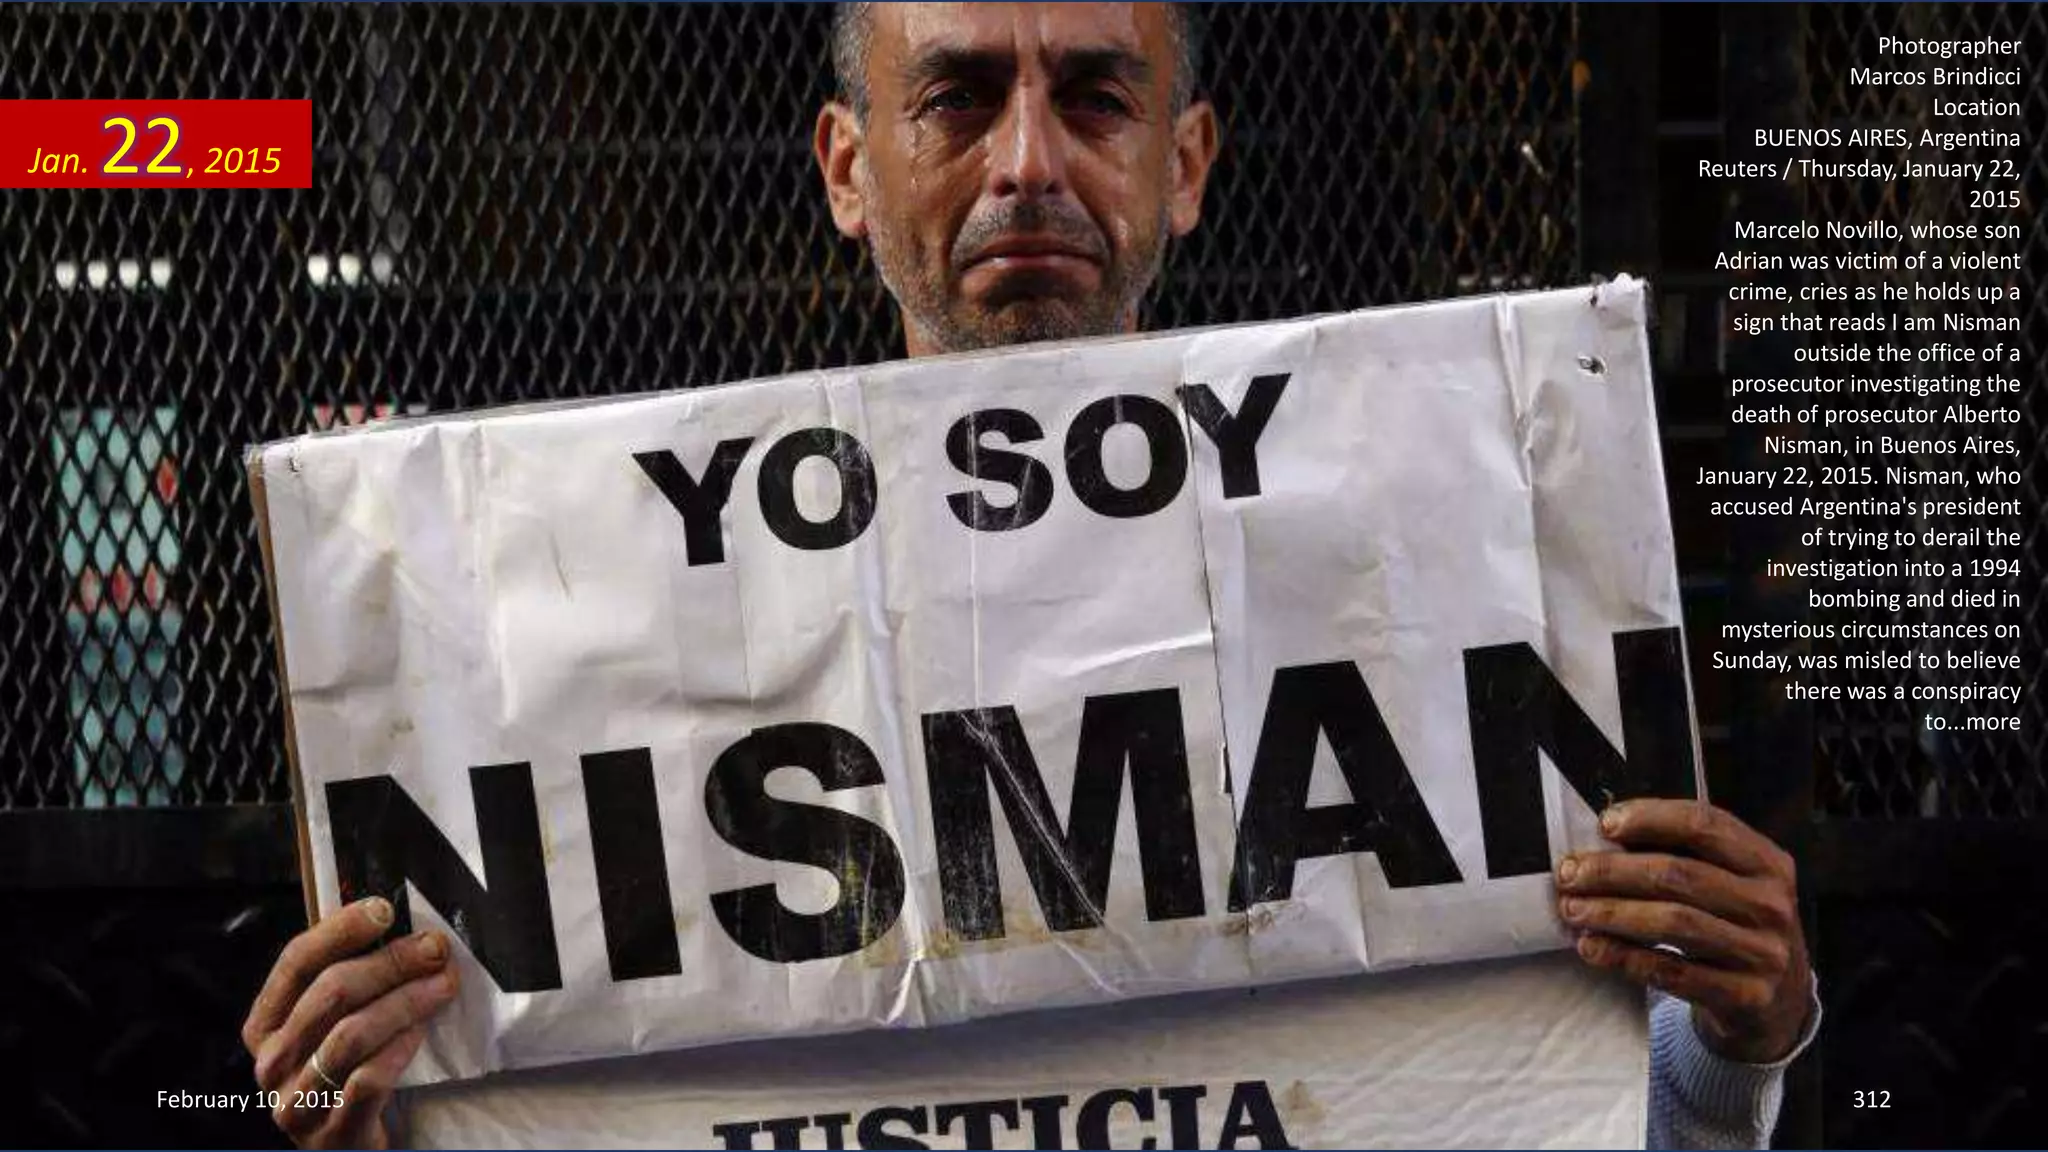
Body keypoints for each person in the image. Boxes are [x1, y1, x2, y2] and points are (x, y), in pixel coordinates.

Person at [241, 4, 1818, 1148]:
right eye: (959, 96)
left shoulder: (1440, 559)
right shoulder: (596, 628)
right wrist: (382, 1121)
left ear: (1184, 162)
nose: (1027, 165)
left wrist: (1741, 1040)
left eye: (1093, 98)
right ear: (848, 166)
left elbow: (1538, 1103)